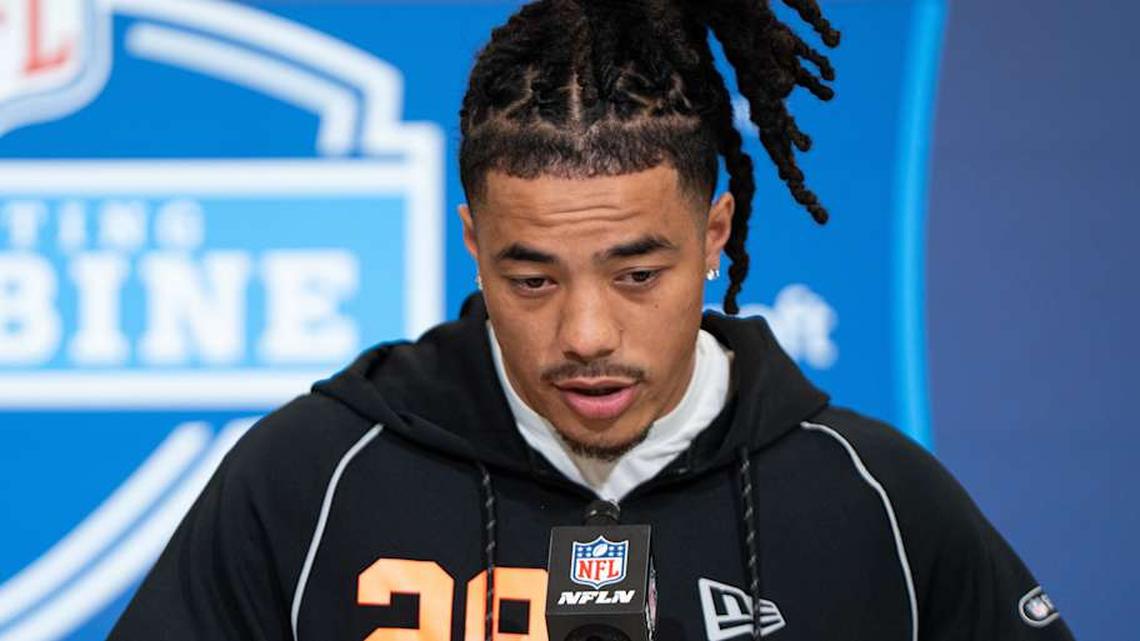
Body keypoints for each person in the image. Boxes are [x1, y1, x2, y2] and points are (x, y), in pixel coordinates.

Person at [110, 1, 1075, 640]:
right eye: (532, 279)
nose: (584, 335)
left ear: (714, 234)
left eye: (637, 273)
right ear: (473, 244)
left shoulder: (874, 502)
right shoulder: (308, 478)